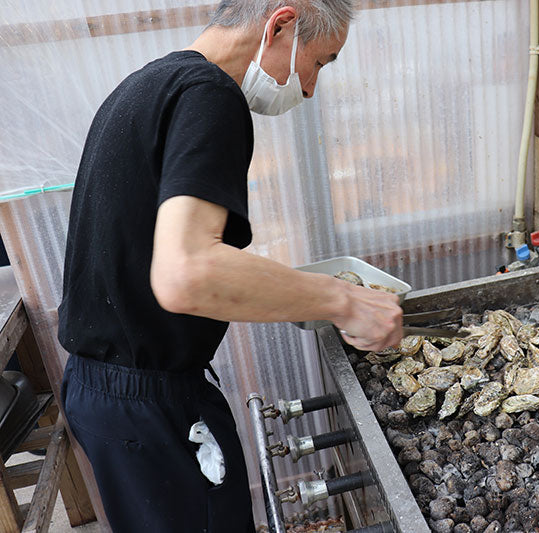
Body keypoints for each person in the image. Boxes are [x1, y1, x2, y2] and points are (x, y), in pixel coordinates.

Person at [57, 1, 404, 531]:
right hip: (146, 403)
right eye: (320, 62)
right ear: (281, 24)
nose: (310, 88)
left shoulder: (149, 84)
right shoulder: (209, 95)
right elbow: (188, 273)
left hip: (105, 390)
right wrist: (345, 300)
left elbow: (169, 256)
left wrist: (296, 291)